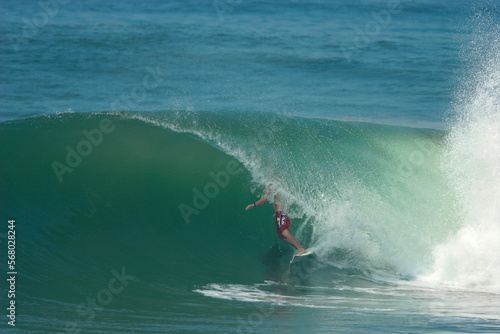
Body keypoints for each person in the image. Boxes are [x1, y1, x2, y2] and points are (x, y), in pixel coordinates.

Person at [246, 186, 306, 256]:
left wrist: (253, 204)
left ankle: (300, 249)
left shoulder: (271, 185)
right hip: (279, 214)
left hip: (281, 213)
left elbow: (265, 199)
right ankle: (298, 247)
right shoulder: (276, 185)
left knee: (284, 233)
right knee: (282, 236)